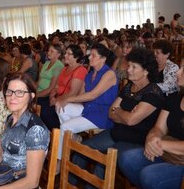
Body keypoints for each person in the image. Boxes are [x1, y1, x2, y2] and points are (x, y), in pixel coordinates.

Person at [69, 48, 164, 187]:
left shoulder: (153, 92)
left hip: (136, 140)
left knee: (103, 160)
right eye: (129, 65)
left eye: (133, 67)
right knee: (83, 149)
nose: (128, 70)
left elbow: (131, 120)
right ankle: (70, 184)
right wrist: (124, 113)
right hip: (115, 133)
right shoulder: (129, 87)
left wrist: (119, 111)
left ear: (146, 71)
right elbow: (110, 112)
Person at [118, 58, 184, 189]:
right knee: (127, 159)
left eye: (183, 69)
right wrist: (152, 138)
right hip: (167, 152)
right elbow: (159, 127)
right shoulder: (175, 97)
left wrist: (160, 144)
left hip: (178, 159)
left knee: (149, 176)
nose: (177, 72)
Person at [55, 43, 118, 158]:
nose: (89, 58)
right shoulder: (90, 74)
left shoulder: (109, 74)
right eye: (90, 55)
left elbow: (93, 95)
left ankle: (60, 160)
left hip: (101, 114)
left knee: (65, 127)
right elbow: (82, 95)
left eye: (93, 56)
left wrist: (68, 98)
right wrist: (65, 100)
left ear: (103, 59)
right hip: (88, 109)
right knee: (60, 107)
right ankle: (73, 137)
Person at [45, 45, 88, 130]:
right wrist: (52, 96)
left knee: (48, 113)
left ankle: (63, 136)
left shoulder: (80, 70)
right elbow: (57, 86)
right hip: (61, 98)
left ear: (76, 57)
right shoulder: (65, 69)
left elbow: (73, 93)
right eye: (65, 53)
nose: (65, 56)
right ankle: (64, 136)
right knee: (45, 110)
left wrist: (56, 100)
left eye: (69, 54)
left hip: (73, 102)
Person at [36, 44, 64, 130]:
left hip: (48, 95)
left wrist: (35, 95)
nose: (48, 53)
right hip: (39, 93)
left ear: (58, 54)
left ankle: (53, 134)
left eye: (52, 51)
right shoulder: (46, 63)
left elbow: (51, 88)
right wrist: (32, 91)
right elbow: (38, 81)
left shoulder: (58, 66)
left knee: (44, 113)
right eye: (48, 50)